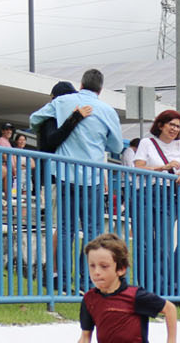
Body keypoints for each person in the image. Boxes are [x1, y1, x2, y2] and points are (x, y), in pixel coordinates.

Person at [29, 68, 127, 291]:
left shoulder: (62, 102)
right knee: (92, 232)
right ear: (100, 89)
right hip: (92, 176)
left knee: (65, 229)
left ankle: (64, 281)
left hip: (65, 172)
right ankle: (88, 282)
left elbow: (34, 119)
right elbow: (116, 146)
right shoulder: (107, 110)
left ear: (81, 84)